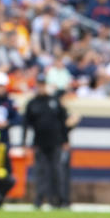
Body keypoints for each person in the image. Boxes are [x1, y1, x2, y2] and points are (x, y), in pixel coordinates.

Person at [23, 74, 69, 209]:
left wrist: (65, 140)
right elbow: (26, 124)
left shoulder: (54, 101)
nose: (41, 87)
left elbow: (63, 122)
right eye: (39, 84)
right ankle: (39, 199)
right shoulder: (32, 103)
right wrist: (24, 142)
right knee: (41, 172)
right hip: (39, 142)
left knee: (57, 171)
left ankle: (59, 199)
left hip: (56, 142)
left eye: (43, 84)